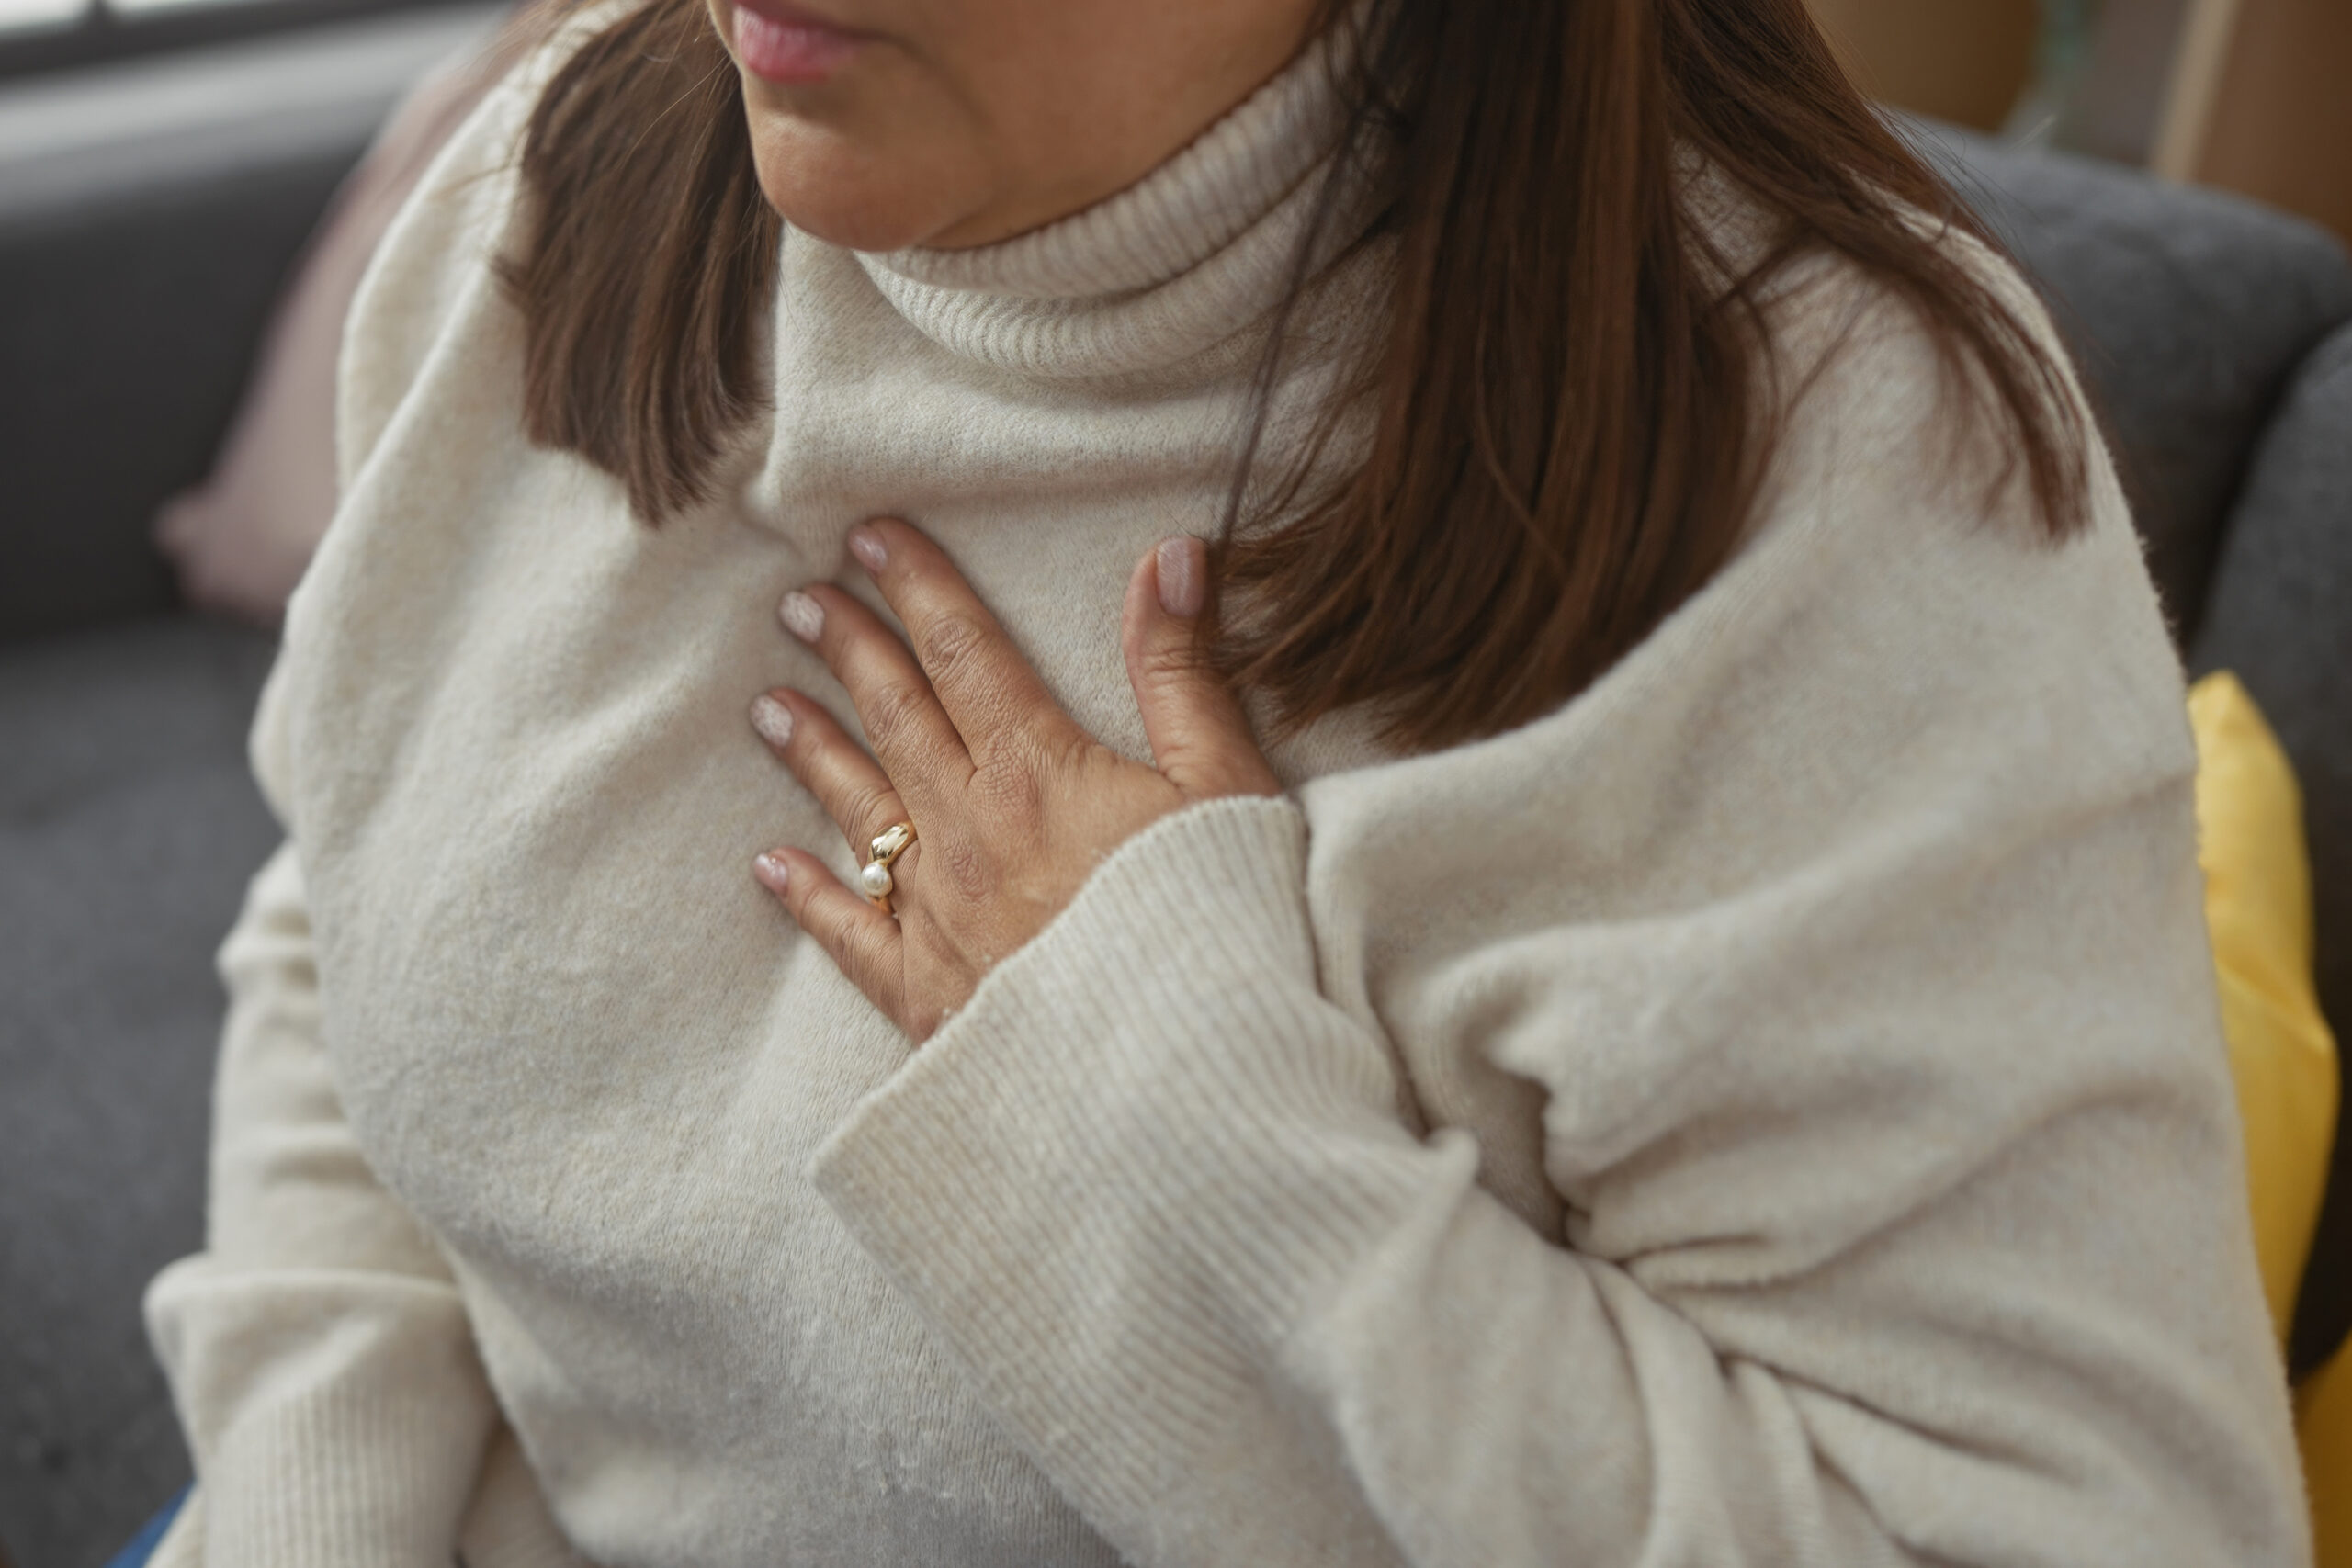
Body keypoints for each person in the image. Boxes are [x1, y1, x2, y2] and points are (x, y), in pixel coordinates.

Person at [141, 0, 2310, 1562]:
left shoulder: (1832, 472)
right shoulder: (558, 165)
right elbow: (340, 899)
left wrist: (1165, 1086)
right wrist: (307, 1503)